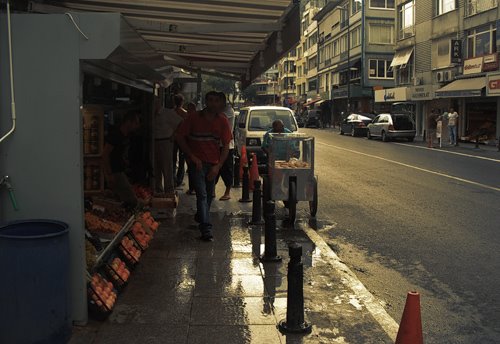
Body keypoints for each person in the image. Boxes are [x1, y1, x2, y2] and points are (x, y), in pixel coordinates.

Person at [176, 91, 232, 241]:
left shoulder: (222, 120)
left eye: (217, 101)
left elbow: (226, 145)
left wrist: (218, 166)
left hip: (213, 164)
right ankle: (206, 228)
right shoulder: (193, 118)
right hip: (197, 164)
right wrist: (192, 157)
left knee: (208, 196)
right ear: (206, 102)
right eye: (211, 100)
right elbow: (180, 137)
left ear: (220, 103)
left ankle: (201, 215)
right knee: (202, 195)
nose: (214, 104)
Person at [102, 111, 141, 208]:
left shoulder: (125, 135)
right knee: (132, 200)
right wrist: (109, 174)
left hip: (119, 170)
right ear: (128, 122)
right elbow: (105, 154)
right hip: (115, 172)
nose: (137, 126)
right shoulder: (116, 135)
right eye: (135, 123)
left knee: (120, 199)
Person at [154, 95, 184, 194]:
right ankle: (158, 189)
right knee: (156, 167)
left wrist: (174, 134)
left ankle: (169, 190)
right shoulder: (152, 114)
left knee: (167, 167)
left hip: (166, 141)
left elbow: (181, 122)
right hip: (154, 141)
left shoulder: (168, 113)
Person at [216, 92, 235, 201]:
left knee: (226, 170)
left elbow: (219, 117)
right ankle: (211, 190)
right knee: (214, 169)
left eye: (217, 101)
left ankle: (227, 192)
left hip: (227, 145)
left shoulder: (228, 110)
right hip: (215, 145)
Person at [172, 94, 188, 187]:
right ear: (182, 102)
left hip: (173, 137)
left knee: (173, 159)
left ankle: (172, 178)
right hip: (182, 139)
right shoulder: (185, 113)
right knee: (182, 160)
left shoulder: (171, 112)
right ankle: (179, 179)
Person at [184, 102, 197, 195]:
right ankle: (193, 188)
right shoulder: (190, 118)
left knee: (193, 170)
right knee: (192, 169)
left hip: (193, 148)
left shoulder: (191, 119)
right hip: (190, 148)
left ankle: (193, 188)